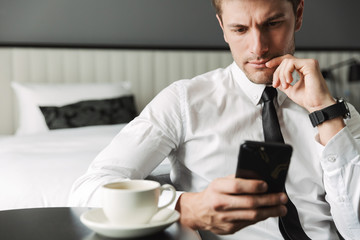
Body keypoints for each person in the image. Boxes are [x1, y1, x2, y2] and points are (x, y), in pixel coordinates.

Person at [69, 0, 360, 239]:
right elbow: (87, 190)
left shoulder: (339, 112)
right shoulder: (184, 102)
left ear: (297, 15)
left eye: (272, 24)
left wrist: (324, 111)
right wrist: (187, 207)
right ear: (222, 28)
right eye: (239, 29)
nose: (257, 48)